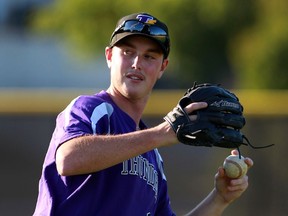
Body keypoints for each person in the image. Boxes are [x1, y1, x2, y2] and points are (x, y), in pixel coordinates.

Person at [33, 12, 253, 216]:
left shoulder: (153, 157)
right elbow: (69, 159)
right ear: (109, 56)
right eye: (128, 52)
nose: (137, 63)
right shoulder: (91, 109)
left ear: (162, 67)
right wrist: (163, 132)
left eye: (149, 57)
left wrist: (220, 198)